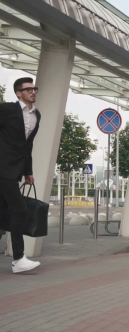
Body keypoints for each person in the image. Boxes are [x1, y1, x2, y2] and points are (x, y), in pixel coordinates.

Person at [0, 77, 42, 273]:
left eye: (34, 89)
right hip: (3, 168)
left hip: (15, 170)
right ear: (18, 93)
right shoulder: (7, 110)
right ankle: (18, 259)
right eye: (28, 89)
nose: (33, 92)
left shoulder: (36, 115)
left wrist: (28, 171)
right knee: (20, 210)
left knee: (2, 213)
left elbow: (28, 146)